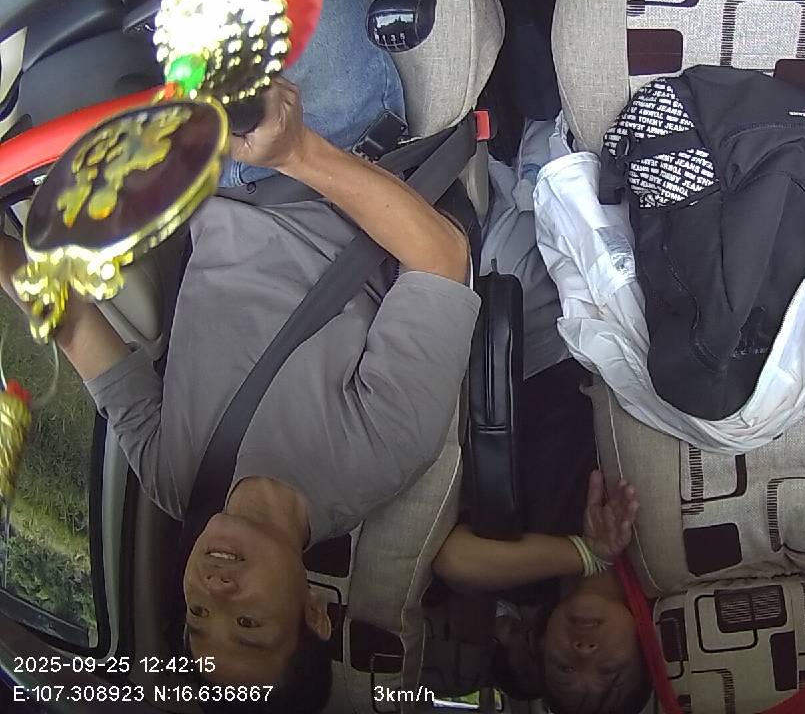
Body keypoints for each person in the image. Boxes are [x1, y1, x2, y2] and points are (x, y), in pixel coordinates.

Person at [1, 75, 472, 714]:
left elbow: (74, 327)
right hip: (328, 150)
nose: (216, 590)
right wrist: (295, 150)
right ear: (314, 612)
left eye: (198, 619)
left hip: (191, 176)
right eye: (248, 623)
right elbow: (441, 258)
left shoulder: (170, 480)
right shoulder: (383, 454)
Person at [433, 470, 653, 713]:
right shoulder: (656, 564)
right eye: (608, 670)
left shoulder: (527, 582)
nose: (582, 651)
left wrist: (587, 555)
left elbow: (451, 559)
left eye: (564, 668)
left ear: (543, 645)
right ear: (644, 652)